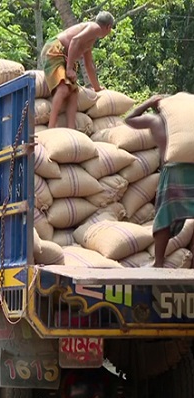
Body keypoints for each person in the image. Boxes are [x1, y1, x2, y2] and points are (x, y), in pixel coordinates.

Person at [124, 94, 194, 268]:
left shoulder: (155, 121)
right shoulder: (189, 125)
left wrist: (149, 102)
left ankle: (159, 262)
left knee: (164, 216)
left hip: (172, 172)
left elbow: (129, 119)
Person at [40, 11, 114, 129]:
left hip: (66, 58)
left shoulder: (91, 38)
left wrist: (97, 88)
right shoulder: (94, 28)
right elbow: (75, 40)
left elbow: (89, 64)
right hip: (55, 50)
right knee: (63, 88)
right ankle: (51, 126)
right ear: (108, 27)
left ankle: (71, 127)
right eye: (111, 29)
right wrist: (69, 69)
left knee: (74, 92)